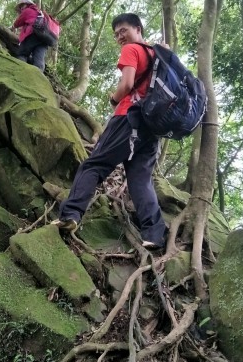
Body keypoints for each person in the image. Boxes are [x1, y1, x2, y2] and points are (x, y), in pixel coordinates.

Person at [53, 13, 167, 249]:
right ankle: (154, 235)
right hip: (152, 126)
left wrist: (114, 99)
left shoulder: (132, 50)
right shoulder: (159, 53)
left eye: (123, 30)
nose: (119, 37)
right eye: (116, 34)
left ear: (138, 28)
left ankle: (70, 214)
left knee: (94, 165)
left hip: (129, 118)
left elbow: (126, 84)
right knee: (140, 179)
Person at [13, 0, 47, 71]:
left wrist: (12, 27)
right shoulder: (39, 12)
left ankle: (20, 72)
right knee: (39, 60)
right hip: (44, 38)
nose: (21, 8)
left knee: (22, 54)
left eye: (22, 6)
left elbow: (16, 24)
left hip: (32, 35)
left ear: (26, 4)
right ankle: (38, 77)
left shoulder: (27, 11)